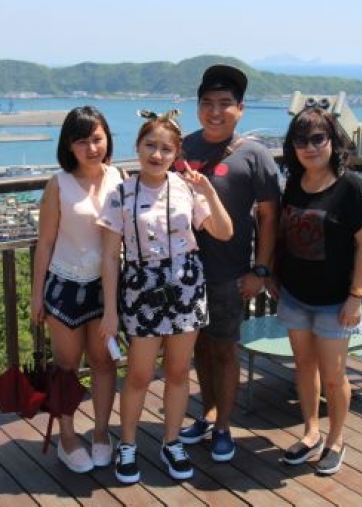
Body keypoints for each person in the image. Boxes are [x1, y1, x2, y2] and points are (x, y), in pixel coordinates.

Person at [98, 110, 233, 484]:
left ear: (176, 154)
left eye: (166, 149)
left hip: (186, 285)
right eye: (150, 145)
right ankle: (128, 444)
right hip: (141, 288)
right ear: (138, 146)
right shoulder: (121, 193)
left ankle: (171, 441)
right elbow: (109, 257)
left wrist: (208, 192)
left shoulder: (187, 188)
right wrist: (110, 311)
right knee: (139, 374)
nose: (157, 155)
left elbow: (224, 231)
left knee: (177, 372)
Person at [178, 65, 281, 462]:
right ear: (198, 107)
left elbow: (269, 217)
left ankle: (224, 426)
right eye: (207, 103)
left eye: (225, 103)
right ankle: (207, 414)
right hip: (185, 272)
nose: (215, 111)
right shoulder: (182, 148)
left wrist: (260, 269)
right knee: (200, 348)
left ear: (241, 109)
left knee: (224, 349)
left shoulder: (255, 155)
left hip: (230, 273)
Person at [271, 106, 362, 475]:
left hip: (336, 301)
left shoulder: (350, 187)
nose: (310, 146)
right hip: (295, 294)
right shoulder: (294, 183)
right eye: (301, 140)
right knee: (303, 366)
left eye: (318, 138)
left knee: (333, 376)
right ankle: (311, 431)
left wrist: (356, 295)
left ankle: (336, 439)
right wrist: (273, 274)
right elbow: (283, 233)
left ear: (333, 141)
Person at [30, 106, 123, 473]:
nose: (91, 147)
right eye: (81, 141)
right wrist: (37, 295)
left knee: (103, 362)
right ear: (69, 145)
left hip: (106, 287)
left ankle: (101, 433)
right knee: (67, 367)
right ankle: (67, 439)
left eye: (97, 139)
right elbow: (45, 242)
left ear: (107, 139)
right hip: (65, 283)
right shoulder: (59, 184)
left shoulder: (119, 177)